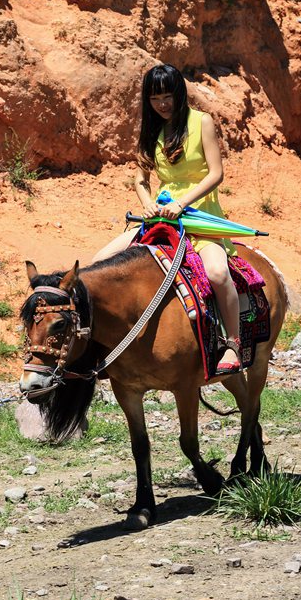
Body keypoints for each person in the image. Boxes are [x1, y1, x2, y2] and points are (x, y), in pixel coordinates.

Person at [93, 63, 242, 374]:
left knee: (217, 273)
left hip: (201, 215)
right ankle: (102, 347)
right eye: (155, 97)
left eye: (167, 96)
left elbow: (216, 173)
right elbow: (140, 180)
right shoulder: (151, 132)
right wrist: (147, 204)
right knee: (101, 259)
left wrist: (183, 203)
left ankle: (232, 343)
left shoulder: (202, 122)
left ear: (179, 94)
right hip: (162, 216)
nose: (162, 104)